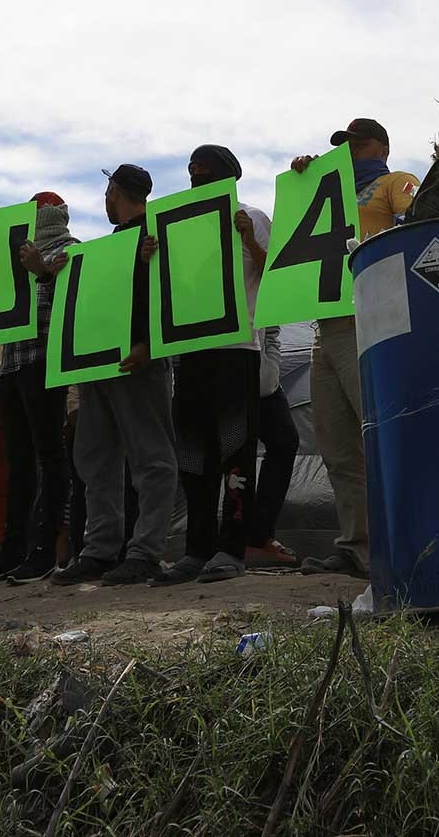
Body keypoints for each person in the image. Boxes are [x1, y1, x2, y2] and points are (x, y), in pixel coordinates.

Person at [289, 118, 417, 577]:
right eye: (344, 146)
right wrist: (307, 181)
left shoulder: (394, 182)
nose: (350, 153)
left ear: (381, 147)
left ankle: (409, 540)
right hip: (325, 320)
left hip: (370, 316)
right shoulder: (330, 196)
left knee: (381, 433)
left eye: (358, 145)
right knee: (337, 444)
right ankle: (358, 546)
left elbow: (418, 221)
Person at [51, 165, 179, 587]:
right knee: (96, 458)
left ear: (115, 191)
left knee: (151, 458)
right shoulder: (113, 246)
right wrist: (47, 269)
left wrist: (150, 344)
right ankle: (101, 550)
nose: (104, 200)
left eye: (107, 191)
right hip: (101, 363)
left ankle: (144, 552)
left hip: (137, 362)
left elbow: (172, 292)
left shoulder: (158, 235)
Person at [156, 146, 270, 586]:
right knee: (193, 455)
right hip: (191, 352)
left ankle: (231, 548)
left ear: (229, 178)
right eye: (191, 176)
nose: (195, 182)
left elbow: (277, 274)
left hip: (237, 349)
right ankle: (196, 549)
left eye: (204, 175)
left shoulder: (253, 216)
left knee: (235, 451)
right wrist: (151, 256)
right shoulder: (180, 229)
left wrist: (250, 242)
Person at [0, 194, 77, 584]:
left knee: (50, 456)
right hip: (10, 364)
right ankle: (12, 550)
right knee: (17, 461)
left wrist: (42, 270)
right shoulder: (10, 261)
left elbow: (75, 306)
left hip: (45, 360)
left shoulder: (72, 250)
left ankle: (45, 550)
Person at [243, 322, 301, 570]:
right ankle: (235, 540)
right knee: (236, 453)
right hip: (223, 371)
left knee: (285, 440)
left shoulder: (263, 282)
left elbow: (272, 326)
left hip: (264, 376)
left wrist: (270, 367)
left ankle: (258, 537)